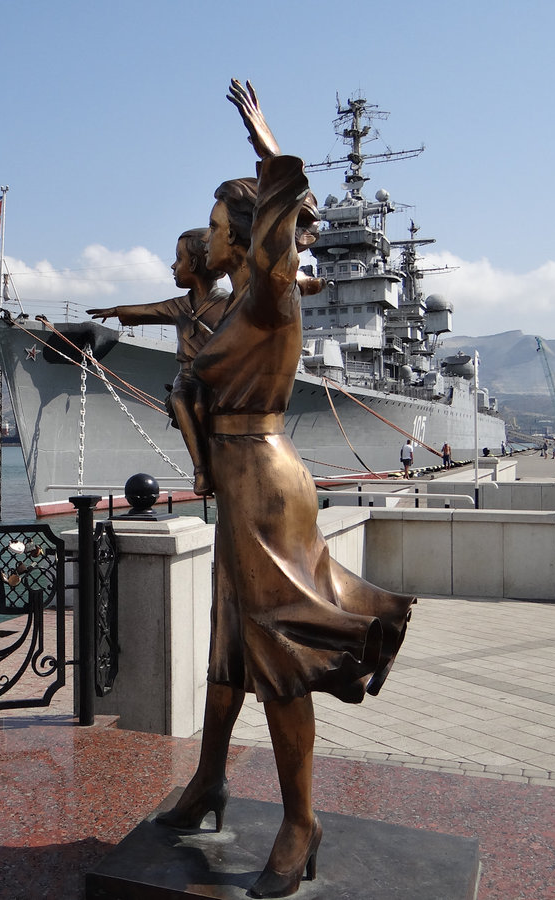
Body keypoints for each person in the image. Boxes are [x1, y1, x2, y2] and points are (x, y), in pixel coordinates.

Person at [154, 80, 415, 899]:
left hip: (265, 483)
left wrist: (267, 148)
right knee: (230, 644)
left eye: (217, 226)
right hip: (239, 484)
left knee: (277, 657)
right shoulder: (232, 304)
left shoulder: (269, 290)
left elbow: (279, 221)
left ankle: (301, 822)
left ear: (246, 237)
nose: (209, 235)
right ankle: (208, 782)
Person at [87, 229, 229, 495]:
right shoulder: (179, 306)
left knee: (201, 405)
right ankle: (200, 470)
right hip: (187, 373)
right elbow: (149, 310)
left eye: (179, 259)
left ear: (194, 264)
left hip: (216, 375)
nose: (173, 266)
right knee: (180, 398)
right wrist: (117, 311)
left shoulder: (228, 304)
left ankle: (212, 463)